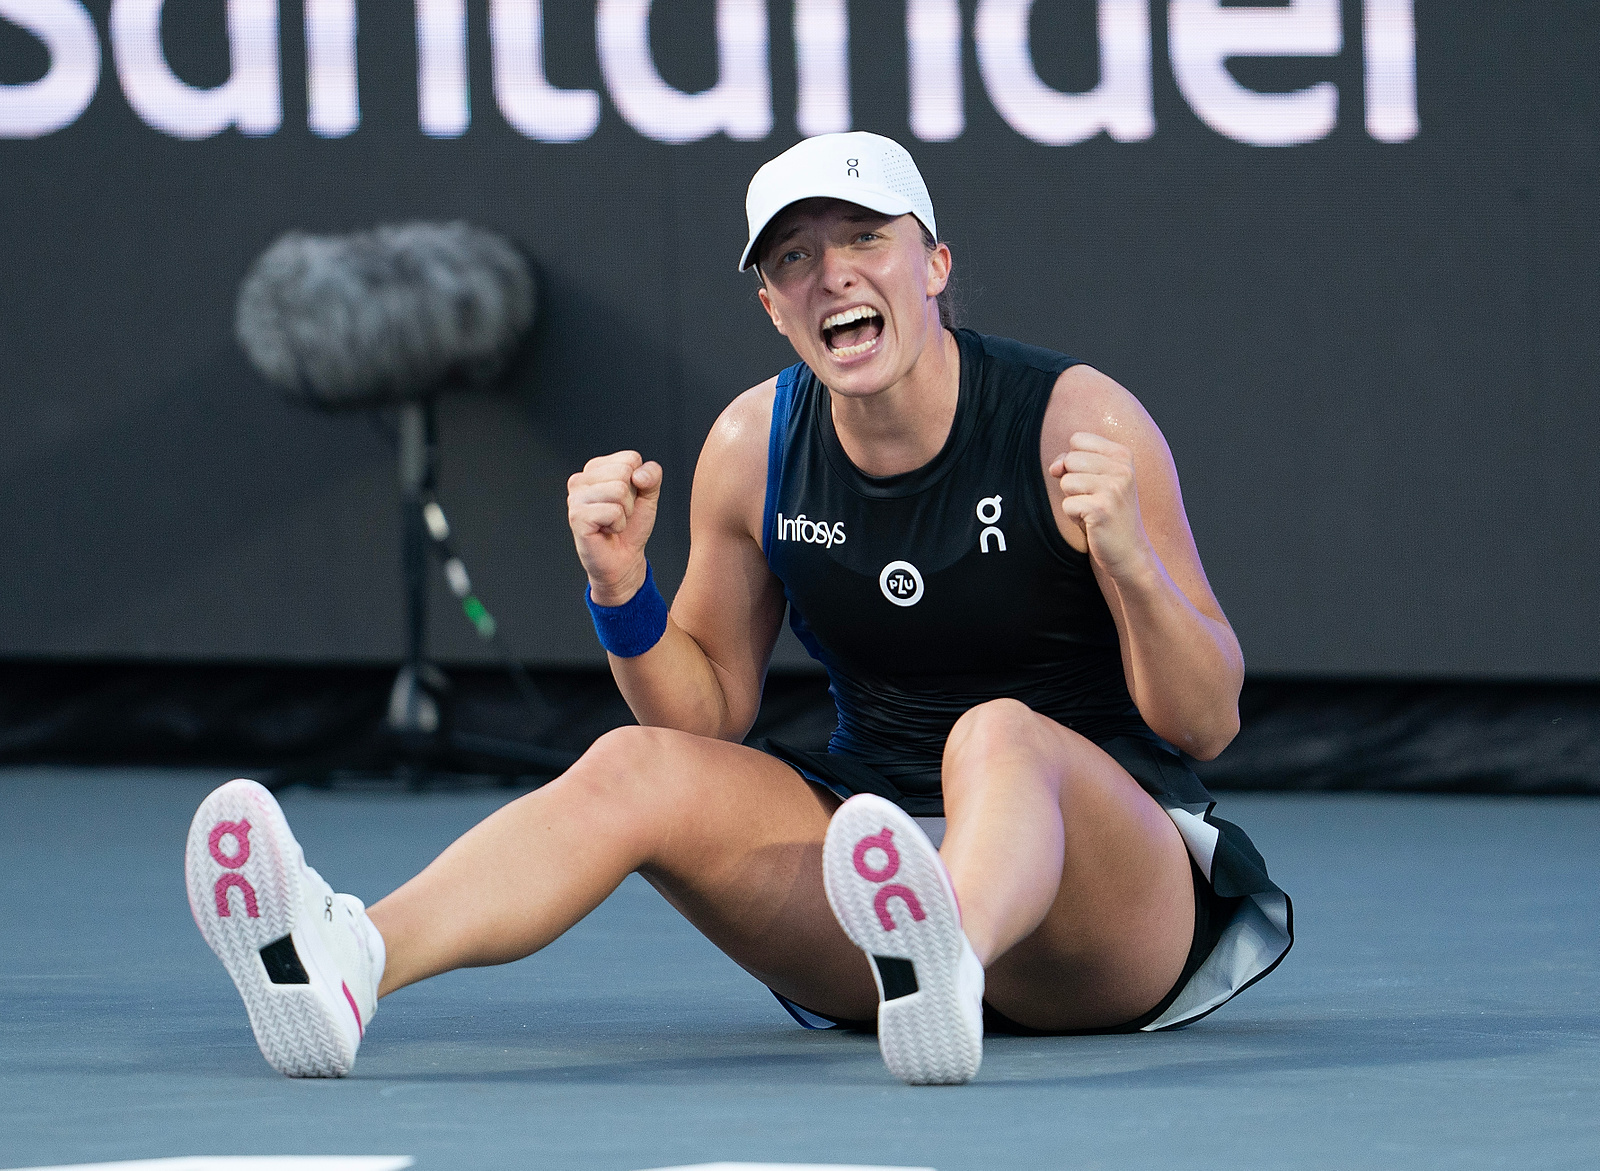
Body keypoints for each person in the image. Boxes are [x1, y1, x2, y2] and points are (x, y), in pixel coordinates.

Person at [185, 132, 1292, 1086]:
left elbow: (1206, 724)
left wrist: (1133, 563)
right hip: (875, 894)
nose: (832, 275)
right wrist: (622, 592)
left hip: (1106, 900)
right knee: (632, 765)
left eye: (865, 239)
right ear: (770, 304)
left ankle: (945, 942)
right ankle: (346, 960)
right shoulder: (752, 446)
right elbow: (702, 715)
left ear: (934, 264)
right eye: (796, 259)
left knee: (993, 733)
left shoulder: (1075, 420)